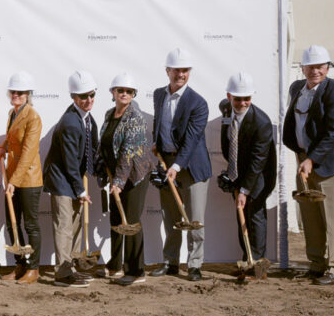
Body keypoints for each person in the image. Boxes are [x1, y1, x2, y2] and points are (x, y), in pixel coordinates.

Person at [283, 45, 334, 285]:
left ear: (328, 67)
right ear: (303, 68)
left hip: (329, 163)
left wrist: (311, 159)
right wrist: (301, 156)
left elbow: (333, 132)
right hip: (304, 159)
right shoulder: (297, 89)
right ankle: (316, 265)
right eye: (311, 66)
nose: (315, 71)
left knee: (333, 217)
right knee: (310, 215)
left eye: (320, 66)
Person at [151, 48, 211, 282]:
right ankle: (171, 262)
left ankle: (194, 265)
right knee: (171, 217)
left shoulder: (198, 103)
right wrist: (158, 145)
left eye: (185, 70)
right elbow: (160, 122)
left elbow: (191, 140)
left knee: (194, 219)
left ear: (190, 72)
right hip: (167, 164)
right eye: (176, 70)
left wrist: (176, 166)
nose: (181, 74)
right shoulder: (158, 95)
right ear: (168, 71)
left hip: (192, 167)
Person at [41, 71, 98, 288]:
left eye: (92, 94)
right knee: (64, 227)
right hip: (62, 181)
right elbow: (70, 162)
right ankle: (62, 274)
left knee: (75, 226)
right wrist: (81, 190)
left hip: (73, 180)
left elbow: (92, 150)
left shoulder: (87, 118)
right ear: (73, 97)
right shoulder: (71, 123)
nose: (89, 100)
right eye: (83, 96)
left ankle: (72, 268)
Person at [218, 72, 276, 277]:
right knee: (240, 217)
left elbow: (258, 161)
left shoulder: (261, 123)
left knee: (255, 216)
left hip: (258, 175)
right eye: (238, 98)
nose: (243, 103)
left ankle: (257, 262)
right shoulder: (226, 110)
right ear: (229, 96)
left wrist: (244, 189)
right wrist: (231, 175)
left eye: (247, 98)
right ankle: (246, 259)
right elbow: (229, 142)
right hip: (238, 171)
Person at [99, 73, 153, 286]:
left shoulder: (135, 118)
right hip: (116, 176)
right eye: (120, 90)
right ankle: (115, 266)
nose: (124, 94)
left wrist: (120, 182)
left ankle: (136, 270)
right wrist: (101, 168)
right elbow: (104, 143)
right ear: (113, 93)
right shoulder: (109, 114)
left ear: (133, 95)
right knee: (116, 221)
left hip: (134, 176)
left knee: (130, 220)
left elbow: (129, 152)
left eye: (128, 91)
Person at [0, 71, 44, 285]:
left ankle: (33, 269)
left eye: (21, 92)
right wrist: (2, 147)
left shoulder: (33, 116)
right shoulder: (12, 113)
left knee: (30, 225)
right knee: (11, 223)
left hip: (29, 179)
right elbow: (11, 139)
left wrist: (14, 182)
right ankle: (20, 265)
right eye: (13, 91)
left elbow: (28, 152)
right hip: (13, 177)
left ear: (28, 94)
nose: (16, 95)